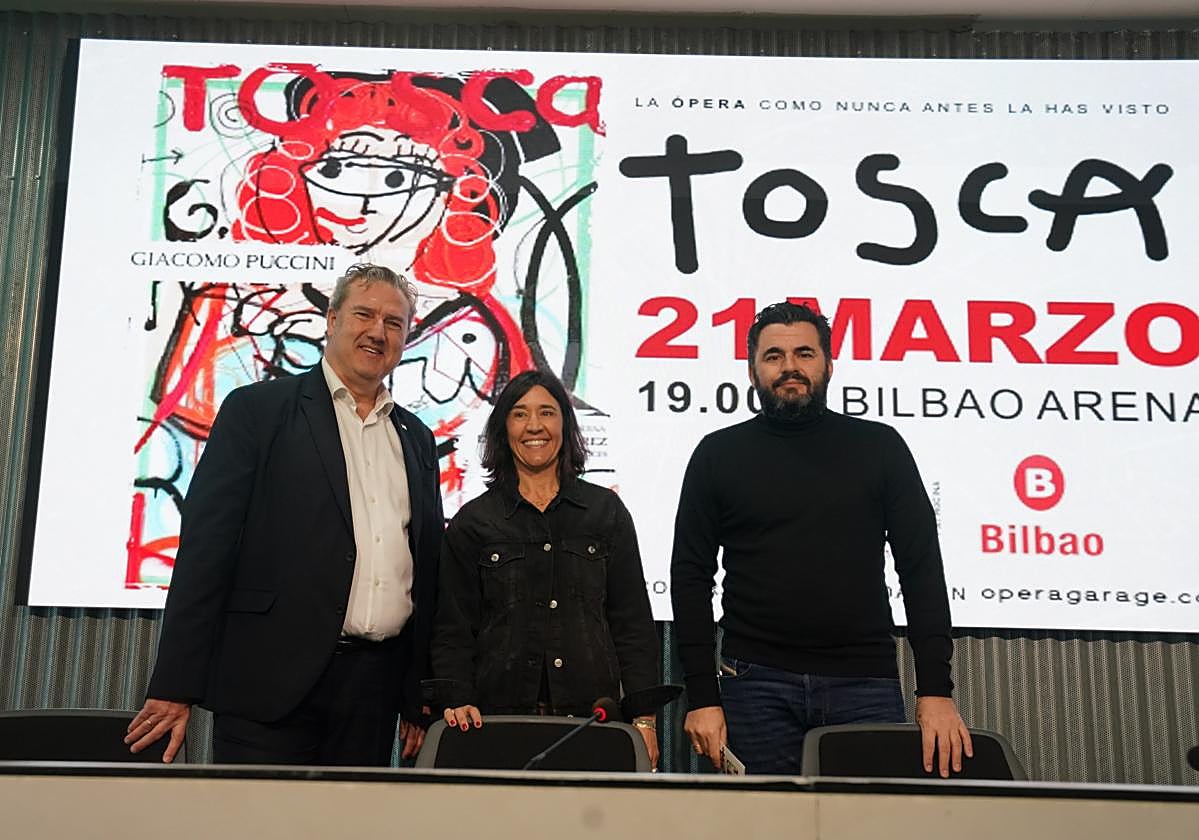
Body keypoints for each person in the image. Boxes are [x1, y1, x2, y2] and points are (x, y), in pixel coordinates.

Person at [125, 263, 444, 765]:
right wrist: (175, 685)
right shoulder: (257, 410)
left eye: (393, 322)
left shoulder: (416, 438)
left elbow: (425, 571)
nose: (378, 332)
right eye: (364, 314)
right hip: (268, 685)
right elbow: (207, 551)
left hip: (372, 695)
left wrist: (416, 695)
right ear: (332, 319)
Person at [671, 301, 972, 777]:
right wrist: (703, 696)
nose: (789, 367)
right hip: (755, 684)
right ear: (752, 371)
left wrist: (936, 690)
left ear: (829, 365)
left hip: (864, 682)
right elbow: (690, 578)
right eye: (774, 356)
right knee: (764, 819)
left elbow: (921, 570)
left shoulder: (881, 447)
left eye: (805, 354)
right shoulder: (717, 455)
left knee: (868, 818)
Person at [432, 371, 661, 769]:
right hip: (495, 724)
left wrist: (644, 718)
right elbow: (453, 627)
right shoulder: (474, 522)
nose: (534, 426)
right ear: (503, 428)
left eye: (547, 412)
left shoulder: (605, 513)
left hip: (593, 722)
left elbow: (632, 624)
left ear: (565, 425)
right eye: (520, 414)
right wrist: (457, 698)